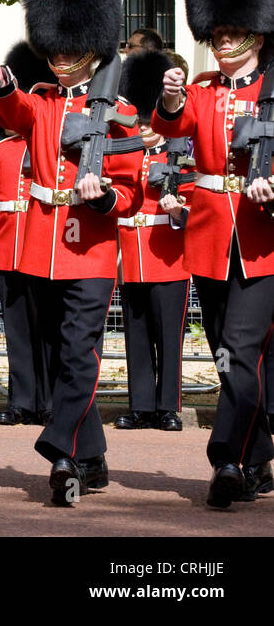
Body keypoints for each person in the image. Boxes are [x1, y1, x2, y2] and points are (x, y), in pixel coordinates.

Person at [0, 0, 144, 507]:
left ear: (93, 50)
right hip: (41, 248)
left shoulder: (118, 111)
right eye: (55, 47)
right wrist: (0, 81)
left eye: (72, 48)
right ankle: (92, 456)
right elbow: (14, 113)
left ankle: (64, 450)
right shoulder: (43, 101)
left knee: (79, 352)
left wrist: (103, 199)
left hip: (91, 250)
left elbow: (131, 190)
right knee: (60, 354)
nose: (61, 57)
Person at [152, 0, 274, 508]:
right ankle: (260, 455)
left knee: (242, 348)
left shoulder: (271, 91)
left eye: (233, 34)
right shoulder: (201, 90)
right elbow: (172, 131)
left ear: (257, 31)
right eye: (217, 36)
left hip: (262, 240)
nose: (224, 44)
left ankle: (226, 458)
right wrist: (173, 100)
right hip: (209, 238)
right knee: (228, 352)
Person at [114, 50, 191, 433]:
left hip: (169, 254)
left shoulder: (180, 151)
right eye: (141, 119)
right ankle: (141, 405)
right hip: (131, 251)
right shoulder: (125, 151)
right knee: (137, 334)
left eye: (149, 119)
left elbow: (195, 200)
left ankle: (169, 407)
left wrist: (180, 209)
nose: (144, 126)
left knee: (169, 336)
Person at [0, 42, 56, 426]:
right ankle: (21, 400)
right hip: (10, 249)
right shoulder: (4, 149)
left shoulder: (51, 143)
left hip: (43, 246)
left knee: (47, 329)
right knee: (18, 331)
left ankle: (48, 401)